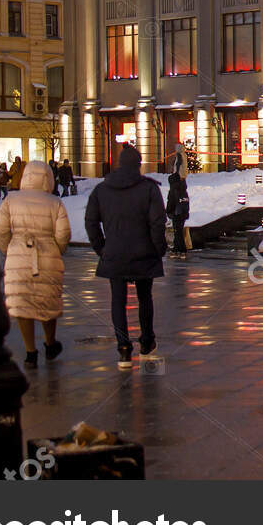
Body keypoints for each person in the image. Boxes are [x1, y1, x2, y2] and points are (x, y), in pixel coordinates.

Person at [84, 143, 167, 370]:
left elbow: (91, 221)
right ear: (138, 165)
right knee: (144, 298)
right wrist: (159, 248)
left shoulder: (101, 190)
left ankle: (123, 347)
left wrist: (101, 248)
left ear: (119, 165)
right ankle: (147, 341)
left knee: (117, 301)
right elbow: (158, 222)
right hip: (144, 254)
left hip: (115, 254)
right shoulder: (149, 189)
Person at [0, 161, 70, 367]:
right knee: (47, 301)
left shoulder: (11, 200)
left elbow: (1, 230)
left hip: (18, 254)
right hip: (47, 256)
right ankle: (49, 342)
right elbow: (63, 234)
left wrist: (9, 249)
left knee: (22, 303)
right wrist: (57, 250)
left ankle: (30, 351)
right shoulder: (55, 203)